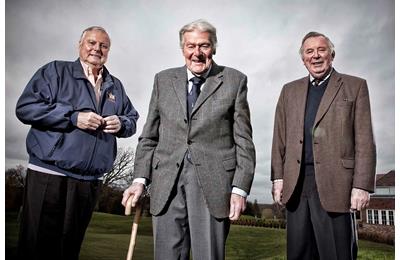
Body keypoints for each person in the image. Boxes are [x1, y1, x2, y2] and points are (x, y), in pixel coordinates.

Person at [122, 19, 256, 260]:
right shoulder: (163, 80)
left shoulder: (235, 80)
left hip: (213, 186)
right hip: (166, 184)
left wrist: (240, 189)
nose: (197, 53)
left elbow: (244, 140)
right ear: (182, 48)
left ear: (214, 47)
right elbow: (149, 136)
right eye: (190, 46)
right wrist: (140, 179)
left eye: (203, 45)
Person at [15, 26, 139, 260]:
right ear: (80, 45)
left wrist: (121, 123)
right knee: (37, 248)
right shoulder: (55, 71)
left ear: (108, 51)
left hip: (89, 182)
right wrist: (73, 117)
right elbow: (26, 108)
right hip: (49, 174)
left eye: (103, 46)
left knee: (69, 249)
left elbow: (132, 119)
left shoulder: (115, 85)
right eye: (91, 43)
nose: (97, 49)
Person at [271, 31, 376, 260]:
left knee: (336, 254)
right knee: (299, 254)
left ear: (332, 54)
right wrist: (278, 178)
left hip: (337, 185)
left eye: (321, 50)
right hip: (296, 185)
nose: (315, 56)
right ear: (303, 58)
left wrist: (362, 185)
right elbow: (279, 137)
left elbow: (365, 139)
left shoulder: (355, 86)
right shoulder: (289, 90)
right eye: (309, 52)